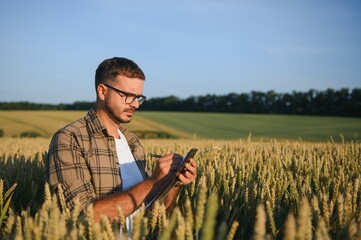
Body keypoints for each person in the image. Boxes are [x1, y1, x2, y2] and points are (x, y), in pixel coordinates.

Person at [45, 57, 197, 226]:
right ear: (102, 91)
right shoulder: (70, 139)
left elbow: (155, 216)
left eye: (138, 97)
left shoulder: (134, 143)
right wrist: (153, 181)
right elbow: (81, 217)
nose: (135, 105)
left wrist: (172, 183)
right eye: (128, 96)